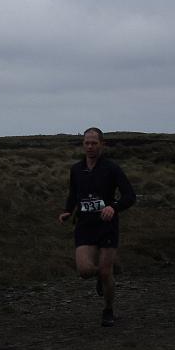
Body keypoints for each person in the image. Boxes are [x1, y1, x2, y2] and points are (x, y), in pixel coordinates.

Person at [58, 127, 136, 327]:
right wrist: (68, 211)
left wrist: (114, 207)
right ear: (83, 145)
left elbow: (130, 196)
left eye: (94, 143)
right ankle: (103, 274)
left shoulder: (111, 168)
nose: (90, 146)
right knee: (85, 270)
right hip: (85, 225)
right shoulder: (76, 169)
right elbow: (74, 193)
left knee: (105, 272)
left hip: (106, 225)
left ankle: (108, 310)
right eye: (87, 143)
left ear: (102, 145)